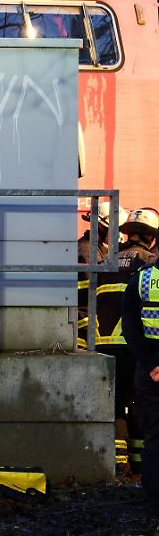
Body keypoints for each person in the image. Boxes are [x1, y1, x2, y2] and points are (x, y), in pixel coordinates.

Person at [92, 208, 158, 472]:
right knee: (138, 404)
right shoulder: (146, 265)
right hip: (133, 346)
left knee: (115, 403)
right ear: (151, 237)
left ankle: (117, 465)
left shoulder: (108, 259)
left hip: (103, 343)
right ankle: (138, 465)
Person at [120, 212, 159, 530]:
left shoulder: (141, 279)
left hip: (147, 369)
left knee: (154, 439)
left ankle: (152, 505)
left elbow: (132, 328)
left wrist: (152, 366)